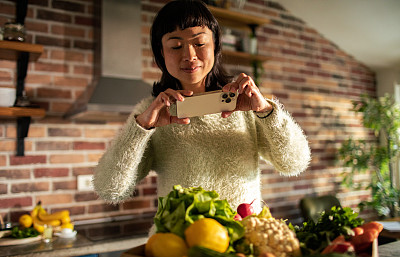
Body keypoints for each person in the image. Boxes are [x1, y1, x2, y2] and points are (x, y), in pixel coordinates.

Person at [92, 0, 310, 215]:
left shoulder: (245, 104)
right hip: (180, 244)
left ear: (215, 44)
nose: (189, 56)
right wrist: (139, 129)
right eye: (176, 46)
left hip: (241, 243)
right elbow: (110, 189)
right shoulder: (152, 112)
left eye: (199, 43)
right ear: (161, 54)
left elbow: (294, 163)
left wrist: (265, 112)